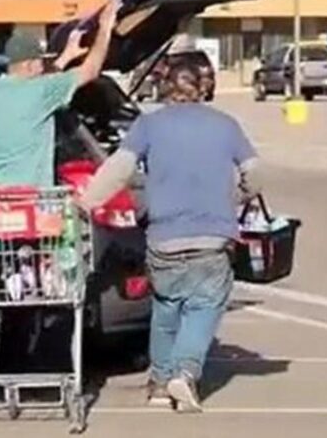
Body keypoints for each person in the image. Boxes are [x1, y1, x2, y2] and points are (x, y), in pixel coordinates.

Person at [80, 61, 259, 413]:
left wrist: (86, 202)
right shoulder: (225, 125)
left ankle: (160, 384)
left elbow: (118, 170)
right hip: (212, 234)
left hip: (163, 236)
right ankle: (186, 371)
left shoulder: (148, 125)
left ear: (165, 88)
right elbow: (255, 175)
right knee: (204, 305)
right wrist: (235, 198)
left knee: (166, 306)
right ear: (204, 87)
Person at [0, 0, 121, 188]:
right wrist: (105, 28)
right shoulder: (42, 91)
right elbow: (90, 70)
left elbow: (46, 83)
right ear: (29, 64)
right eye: (41, 62)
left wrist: (66, 55)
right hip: (28, 196)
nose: (43, 67)